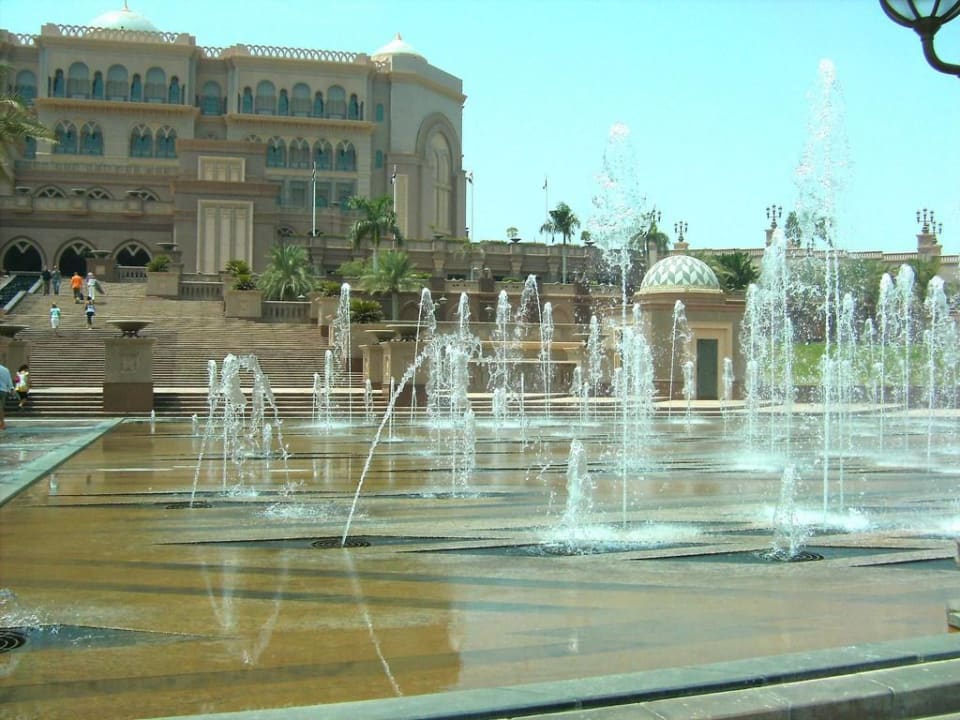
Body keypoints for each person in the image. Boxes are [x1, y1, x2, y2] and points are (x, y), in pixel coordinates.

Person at [0, 363, 12, 430]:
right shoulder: (5, 369)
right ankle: (2, 424)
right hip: (4, 390)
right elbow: (9, 381)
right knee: (1, 408)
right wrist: (11, 388)